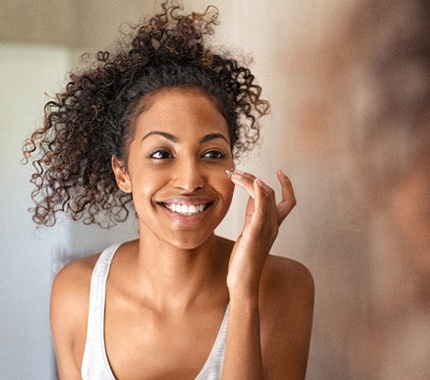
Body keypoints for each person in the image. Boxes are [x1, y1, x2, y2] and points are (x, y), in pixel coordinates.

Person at [23, 3, 314, 379]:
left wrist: (244, 291)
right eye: (162, 154)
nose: (190, 179)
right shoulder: (76, 292)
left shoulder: (284, 285)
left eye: (212, 153)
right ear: (122, 172)